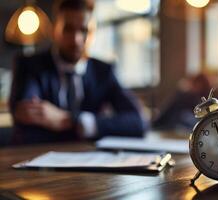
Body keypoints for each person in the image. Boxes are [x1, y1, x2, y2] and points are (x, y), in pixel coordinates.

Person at [9, 0, 146, 144]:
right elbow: (28, 126)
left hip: (91, 160)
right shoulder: (30, 66)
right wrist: (91, 127)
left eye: (84, 30)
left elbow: (138, 122)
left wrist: (70, 120)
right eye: (68, 29)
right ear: (54, 30)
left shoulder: (104, 71)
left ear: (92, 33)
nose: (76, 39)